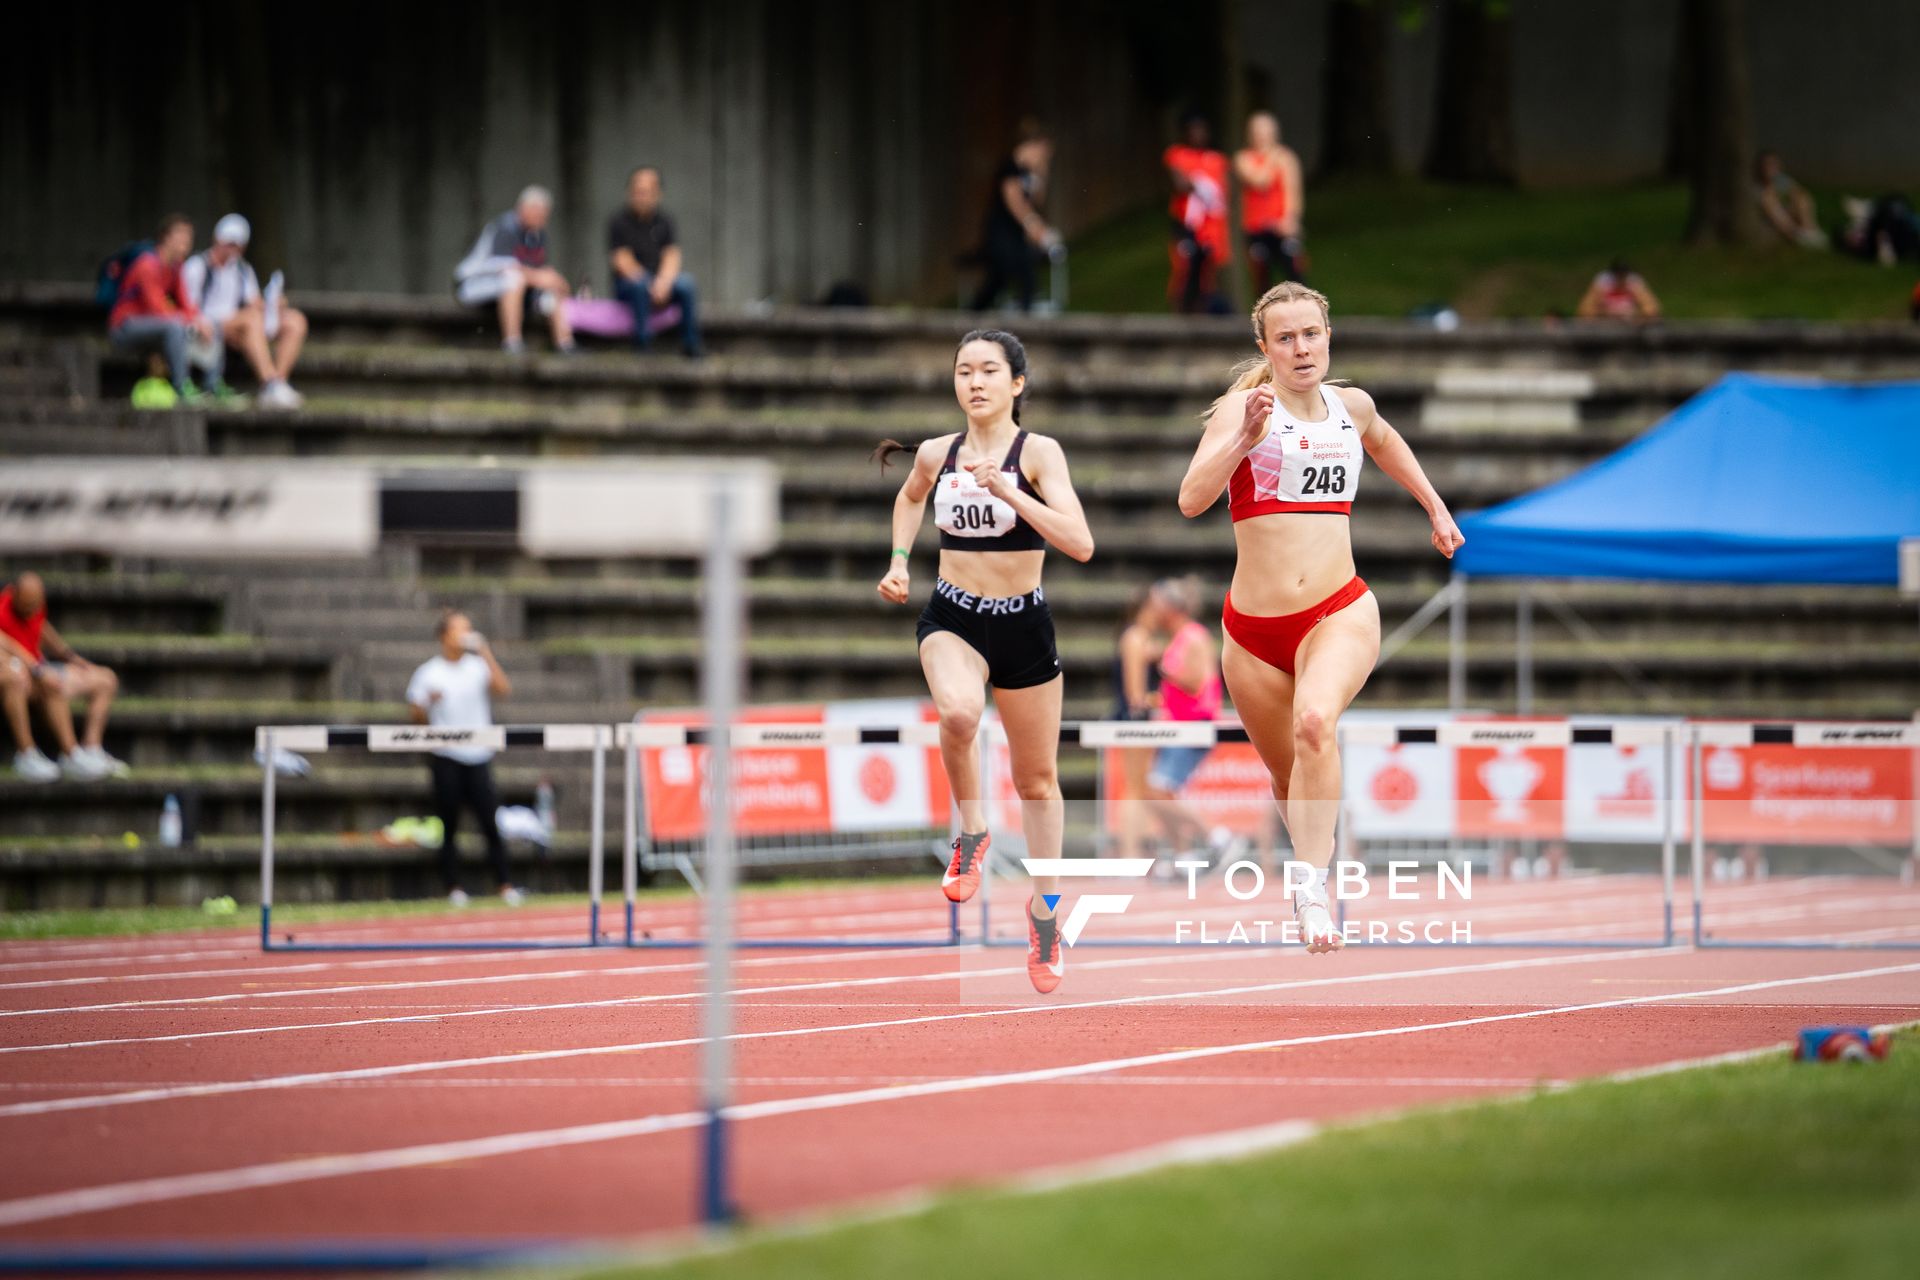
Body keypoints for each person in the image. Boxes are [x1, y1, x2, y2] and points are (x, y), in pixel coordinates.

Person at [1178, 283, 1463, 953]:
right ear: (1265, 347)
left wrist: (1435, 507)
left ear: (1328, 337)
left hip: (1338, 610)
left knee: (1314, 724)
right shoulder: (1244, 410)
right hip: (1251, 635)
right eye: (1286, 337)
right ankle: (1310, 869)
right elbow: (1192, 499)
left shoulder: (1351, 407)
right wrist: (1242, 439)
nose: (1301, 348)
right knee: (1286, 776)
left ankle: (1311, 889)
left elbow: (1387, 442)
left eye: (1311, 334)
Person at [874, 330, 1095, 993]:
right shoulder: (939, 454)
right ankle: (972, 830)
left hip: (1024, 625)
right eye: (963, 371)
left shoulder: (1040, 453)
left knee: (1037, 781)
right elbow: (911, 495)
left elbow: (1080, 542)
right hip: (954, 615)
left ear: (1016, 385)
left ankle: (1045, 913)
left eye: (989, 371)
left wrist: (1009, 491)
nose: (974, 382)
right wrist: (898, 562)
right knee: (960, 714)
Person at [405, 611, 524, 906]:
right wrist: (428, 704)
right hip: (446, 755)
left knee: (489, 823)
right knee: (449, 824)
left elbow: (503, 689)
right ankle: (453, 887)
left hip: (479, 755)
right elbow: (415, 715)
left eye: (467, 629)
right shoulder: (428, 672)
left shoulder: (477, 666)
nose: (464, 634)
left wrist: (485, 651)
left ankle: (505, 884)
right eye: (459, 629)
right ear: (444, 636)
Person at [0, 573, 126, 782]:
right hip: (20, 674)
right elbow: (6, 645)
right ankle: (34, 754)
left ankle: (90, 749)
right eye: (27, 605)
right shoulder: (3, 609)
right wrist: (37, 668)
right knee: (33, 680)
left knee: (106, 678)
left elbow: (42, 627)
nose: (32, 611)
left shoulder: (35, 608)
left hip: (37, 670)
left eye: (35, 605)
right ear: (15, 595)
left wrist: (71, 657)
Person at [1140, 576, 1229, 861]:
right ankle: (1183, 854)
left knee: (1159, 790)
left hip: (1193, 726)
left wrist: (1161, 665)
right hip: (1178, 726)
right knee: (1158, 793)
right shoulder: (1181, 638)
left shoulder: (1192, 637)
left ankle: (1216, 837)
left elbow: (1195, 682)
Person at [180, 213, 308, 408]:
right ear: (218, 239)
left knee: (295, 320)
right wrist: (199, 322)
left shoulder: (242, 269)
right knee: (251, 319)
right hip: (208, 324)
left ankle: (278, 382)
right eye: (230, 243)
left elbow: (254, 302)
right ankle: (269, 382)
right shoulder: (197, 266)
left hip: (241, 324)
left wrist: (274, 304)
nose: (233, 249)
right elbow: (187, 304)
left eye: (238, 245)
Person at [454, 186, 576, 354]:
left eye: (544, 213)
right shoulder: (506, 227)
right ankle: (512, 343)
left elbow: (538, 271)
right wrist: (543, 277)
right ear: (523, 208)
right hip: (473, 285)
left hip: (513, 291)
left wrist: (555, 281)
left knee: (551, 289)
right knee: (513, 279)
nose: (541, 217)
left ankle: (565, 345)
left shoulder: (538, 234)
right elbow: (505, 267)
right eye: (537, 211)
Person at [108, 213, 217, 401]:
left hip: (154, 326)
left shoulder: (176, 266)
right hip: (125, 328)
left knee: (209, 324)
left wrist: (199, 320)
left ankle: (212, 387)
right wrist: (190, 320)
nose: (187, 240)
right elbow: (156, 308)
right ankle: (181, 388)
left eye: (189, 235)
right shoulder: (147, 265)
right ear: (166, 237)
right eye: (181, 235)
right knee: (175, 327)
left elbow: (186, 303)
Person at [606, 167, 704, 357]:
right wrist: (650, 283)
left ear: (657, 194)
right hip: (630, 284)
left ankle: (691, 344)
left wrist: (664, 282)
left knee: (687, 284)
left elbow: (672, 255)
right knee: (640, 285)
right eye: (636, 191)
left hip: (660, 282)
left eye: (645, 192)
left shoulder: (665, 220)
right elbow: (621, 260)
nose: (639, 197)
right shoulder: (618, 221)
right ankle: (642, 343)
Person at [971, 123, 1060, 312]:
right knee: (1009, 277)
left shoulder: (1028, 172)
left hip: (1016, 235)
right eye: (1042, 152)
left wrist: (1041, 171)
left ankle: (975, 316)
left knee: (1011, 279)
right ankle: (972, 316)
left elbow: (1036, 201)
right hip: (1000, 233)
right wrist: (1033, 226)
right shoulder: (1010, 167)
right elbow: (1015, 202)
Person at [1109, 586, 1164, 861]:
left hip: (1138, 720)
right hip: (1135, 720)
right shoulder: (1135, 637)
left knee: (1140, 787)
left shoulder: (1142, 638)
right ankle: (1129, 853)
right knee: (1133, 787)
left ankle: (1137, 851)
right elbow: (1135, 696)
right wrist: (1160, 701)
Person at [1164, 113, 1231, 315]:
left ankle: (1203, 319)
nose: (1197, 134)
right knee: (1183, 271)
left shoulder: (1217, 159)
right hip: (1185, 224)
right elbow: (1180, 184)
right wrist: (1198, 183)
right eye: (1193, 129)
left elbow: (1223, 192)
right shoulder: (1177, 154)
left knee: (1207, 277)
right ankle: (1181, 318)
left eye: (1201, 129)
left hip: (1210, 226)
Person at [1235, 111, 1306, 292]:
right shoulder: (1244, 158)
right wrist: (1272, 155)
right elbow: (1260, 181)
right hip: (1256, 228)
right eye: (1259, 131)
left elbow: (1293, 190)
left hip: (1281, 226)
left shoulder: (1287, 157)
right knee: (1261, 277)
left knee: (1295, 274)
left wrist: (1290, 218)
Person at [1754, 152, 1827, 250]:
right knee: (1769, 200)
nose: (1771, 168)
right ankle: (1796, 235)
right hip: (1771, 215)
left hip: (1785, 209)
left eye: (1774, 164)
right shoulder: (1757, 185)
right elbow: (1765, 202)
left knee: (1801, 197)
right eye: (1768, 165)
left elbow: (1798, 191)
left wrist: (1795, 201)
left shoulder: (1781, 179)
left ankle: (1809, 229)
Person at [1575, 259, 1662, 323]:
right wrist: (1604, 313)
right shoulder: (1603, 282)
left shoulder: (1634, 282)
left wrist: (1635, 314)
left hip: (1631, 324)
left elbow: (1651, 309)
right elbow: (1585, 311)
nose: (1620, 279)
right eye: (1618, 275)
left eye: (1623, 275)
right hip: (1605, 323)